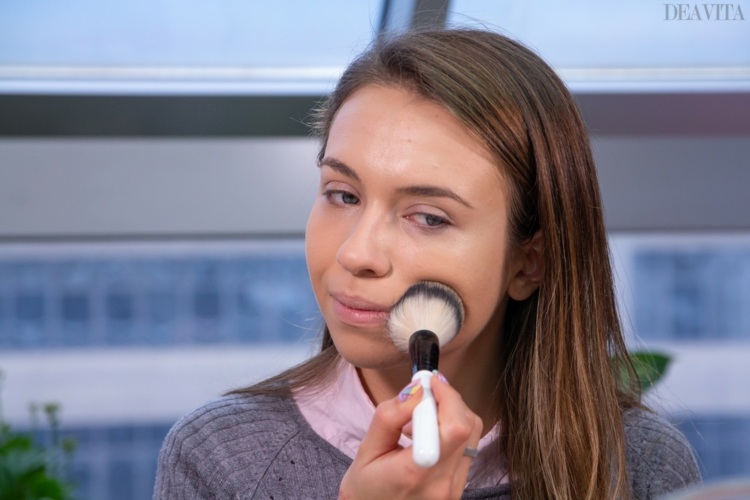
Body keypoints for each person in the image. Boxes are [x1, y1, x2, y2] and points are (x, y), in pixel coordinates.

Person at [153, 28, 701, 499]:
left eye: (429, 217)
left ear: (529, 263)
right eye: (343, 195)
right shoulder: (222, 458)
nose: (356, 254)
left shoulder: (640, 466)